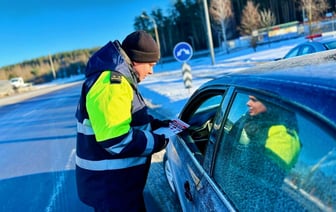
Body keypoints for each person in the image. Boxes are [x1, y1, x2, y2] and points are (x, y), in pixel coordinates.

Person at [75, 30, 170, 211]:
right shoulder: (112, 83)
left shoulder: (118, 79)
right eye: (150, 64)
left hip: (115, 186)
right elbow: (116, 140)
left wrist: (157, 125)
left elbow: (125, 118)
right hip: (112, 188)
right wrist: (159, 141)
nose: (151, 71)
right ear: (136, 60)